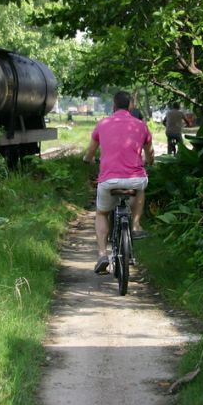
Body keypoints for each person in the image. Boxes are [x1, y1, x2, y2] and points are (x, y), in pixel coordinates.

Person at [83, 90, 154, 275]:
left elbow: (90, 152)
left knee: (101, 213)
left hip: (108, 180)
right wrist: (149, 161)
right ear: (131, 106)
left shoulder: (103, 124)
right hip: (135, 179)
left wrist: (88, 160)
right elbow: (150, 153)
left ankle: (101, 254)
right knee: (140, 189)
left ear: (113, 106)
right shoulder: (141, 125)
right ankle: (136, 225)